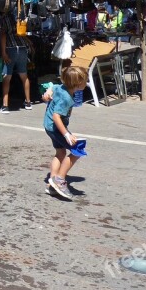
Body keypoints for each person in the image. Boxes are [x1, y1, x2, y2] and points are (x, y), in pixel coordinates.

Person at [44, 66, 89, 200]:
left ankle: (52, 184)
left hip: (49, 126)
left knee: (61, 153)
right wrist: (66, 134)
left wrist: (48, 91)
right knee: (77, 150)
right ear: (77, 83)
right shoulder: (66, 98)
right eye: (85, 81)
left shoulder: (62, 87)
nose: (86, 83)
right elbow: (56, 117)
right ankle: (59, 179)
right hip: (55, 127)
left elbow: (54, 86)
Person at [0, 6, 32, 112]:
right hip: (22, 48)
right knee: (24, 76)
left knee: (7, 77)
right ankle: (28, 102)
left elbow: (2, 35)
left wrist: (3, 53)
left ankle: (5, 105)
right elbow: (21, 31)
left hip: (10, 49)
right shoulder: (16, 15)